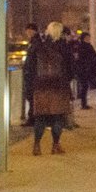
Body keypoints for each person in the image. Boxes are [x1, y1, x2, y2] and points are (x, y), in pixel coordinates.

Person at [31, 21, 73, 155]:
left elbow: (30, 68)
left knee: (40, 117)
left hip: (41, 86)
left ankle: (36, 146)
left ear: (48, 31)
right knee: (57, 117)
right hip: (59, 87)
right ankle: (55, 145)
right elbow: (71, 67)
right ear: (60, 33)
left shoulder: (38, 46)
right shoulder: (64, 47)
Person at [21, 22, 40, 127]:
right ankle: (32, 118)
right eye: (27, 30)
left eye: (30, 30)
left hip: (32, 74)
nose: (28, 32)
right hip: (31, 73)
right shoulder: (33, 42)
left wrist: (29, 70)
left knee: (31, 96)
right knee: (31, 96)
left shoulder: (36, 42)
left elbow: (33, 59)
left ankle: (32, 118)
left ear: (34, 31)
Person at [74, 32, 96, 110]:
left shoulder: (84, 46)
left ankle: (84, 103)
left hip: (85, 69)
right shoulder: (84, 47)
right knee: (84, 86)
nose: (89, 39)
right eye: (87, 38)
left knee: (85, 86)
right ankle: (83, 104)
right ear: (84, 38)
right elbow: (91, 56)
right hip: (84, 69)